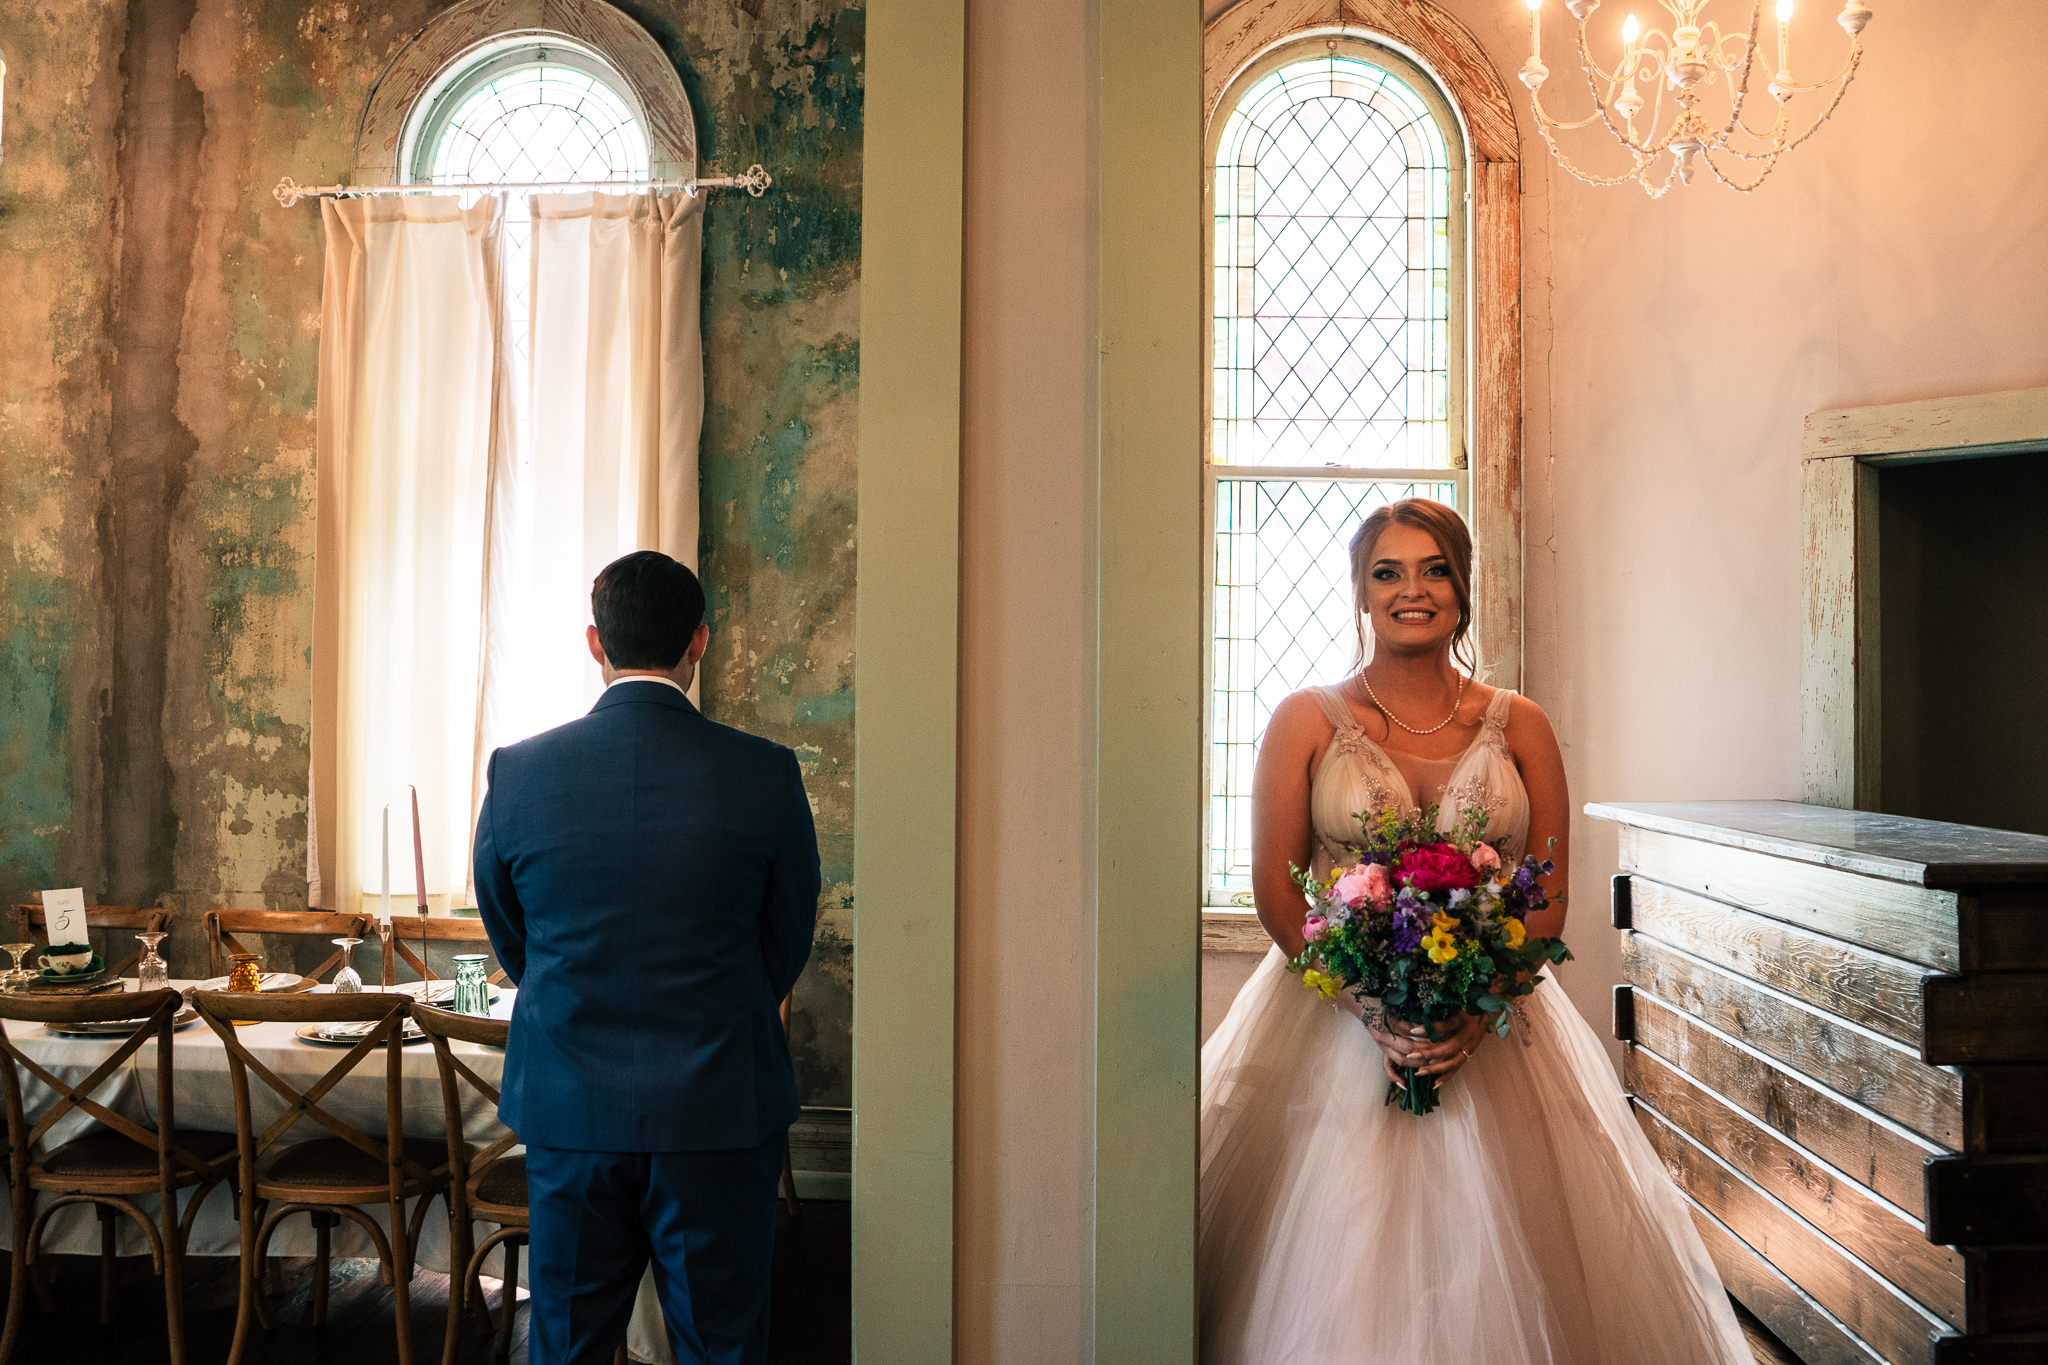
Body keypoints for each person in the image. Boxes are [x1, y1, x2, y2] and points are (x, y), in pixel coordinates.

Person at [1198, 500, 1747, 1364]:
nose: (1412, 590)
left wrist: (1474, 1004)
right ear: (1359, 593)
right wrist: (1368, 1006)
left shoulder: (1519, 723)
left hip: (1494, 1022)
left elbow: (1551, 892)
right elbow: (1276, 888)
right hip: (1332, 1018)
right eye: (1388, 572)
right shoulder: (1305, 719)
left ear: (1462, 588)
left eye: (1434, 569)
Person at [474, 550, 820, 1365]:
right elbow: (787, 935)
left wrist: (573, 992)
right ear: (699, 642)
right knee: (722, 1342)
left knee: (567, 1339)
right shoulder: (765, 773)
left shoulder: (517, 773)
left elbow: (509, 933)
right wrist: (725, 1001)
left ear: (595, 643)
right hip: (719, 1102)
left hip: (570, 1105)